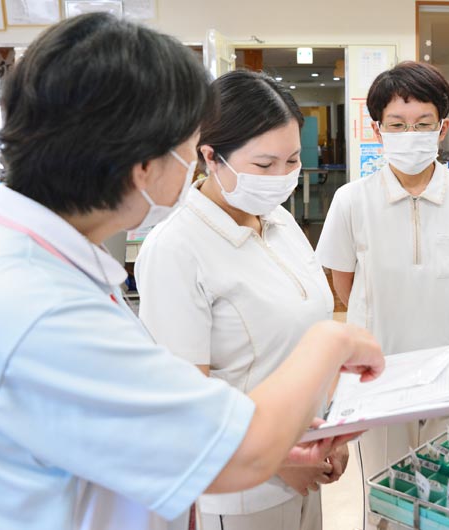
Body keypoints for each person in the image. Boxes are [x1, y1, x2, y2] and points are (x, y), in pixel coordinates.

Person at [0, 14, 384, 530]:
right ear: (143, 163)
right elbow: (234, 452)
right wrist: (331, 344)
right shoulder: (34, 304)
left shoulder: (26, 254)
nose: (193, 163)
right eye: (189, 145)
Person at [135, 70, 343, 530]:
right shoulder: (177, 248)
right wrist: (275, 459)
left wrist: (331, 429)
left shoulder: (281, 223)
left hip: (310, 456)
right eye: (265, 165)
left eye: (292, 160)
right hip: (245, 490)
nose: (283, 177)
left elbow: (307, 338)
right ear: (210, 156)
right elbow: (185, 400)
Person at [315, 61, 449, 528]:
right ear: (377, 129)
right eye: (398, 125)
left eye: (423, 124)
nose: (411, 134)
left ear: (442, 128)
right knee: (385, 500)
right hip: (378, 379)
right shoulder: (352, 200)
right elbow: (342, 284)